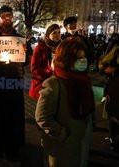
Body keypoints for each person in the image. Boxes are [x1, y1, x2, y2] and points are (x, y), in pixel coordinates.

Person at [36, 37, 95, 167]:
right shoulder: (54, 83)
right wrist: (62, 134)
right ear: (67, 59)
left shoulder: (84, 80)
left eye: (84, 56)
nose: (83, 60)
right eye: (78, 57)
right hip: (61, 147)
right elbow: (42, 117)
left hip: (80, 142)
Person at [0, 5, 30, 161]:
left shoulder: (19, 38)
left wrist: (25, 54)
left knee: (15, 114)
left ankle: (14, 145)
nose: (7, 18)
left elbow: (26, 61)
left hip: (15, 81)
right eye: (4, 16)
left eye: (10, 15)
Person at [29, 24, 61, 100]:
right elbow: (34, 69)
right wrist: (49, 70)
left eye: (59, 32)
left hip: (59, 84)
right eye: (54, 33)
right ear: (48, 35)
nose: (57, 35)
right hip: (43, 85)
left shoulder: (62, 47)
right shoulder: (40, 47)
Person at [99, 45, 119, 152]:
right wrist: (112, 68)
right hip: (114, 91)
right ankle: (113, 140)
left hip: (113, 89)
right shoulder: (116, 51)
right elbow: (103, 68)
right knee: (113, 117)